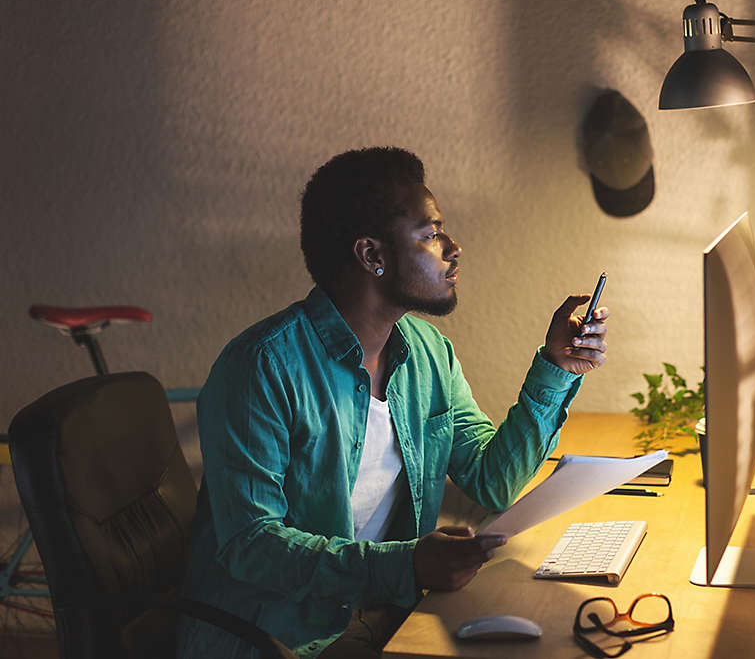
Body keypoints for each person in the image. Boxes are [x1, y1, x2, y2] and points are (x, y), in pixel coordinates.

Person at [176, 147, 610, 659]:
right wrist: (405, 566)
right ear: (372, 255)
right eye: (430, 235)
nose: (454, 248)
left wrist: (557, 369)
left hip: (379, 612)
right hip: (276, 634)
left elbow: (494, 480)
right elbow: (252, 546)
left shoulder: (429, 353)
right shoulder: (260, 366)